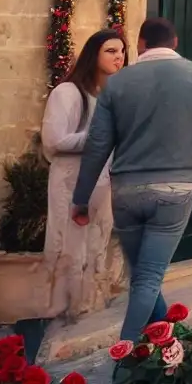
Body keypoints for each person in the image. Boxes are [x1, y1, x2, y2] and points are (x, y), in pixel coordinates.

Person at [72, 17, 192, 344]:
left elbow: (97, 145)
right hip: (175, 189)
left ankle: (166, 348)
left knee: (143, 277)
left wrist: (81, 198)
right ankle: (125, 356)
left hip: (126, 191)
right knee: (147, 279)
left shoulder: (117, 83)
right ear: (175, 43)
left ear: (141, 44)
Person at [39, 29, 125, 344]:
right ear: (94, 55)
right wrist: (100, 137)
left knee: (96, 244)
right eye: (111, 51)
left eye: (122, 51)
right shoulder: (67, 92)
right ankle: (60, 315)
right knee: (68, 245)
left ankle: (88, 310)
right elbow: (54, 140)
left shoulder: (112, 96)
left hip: (102, 181)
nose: (119, 57)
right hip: (70, 181)